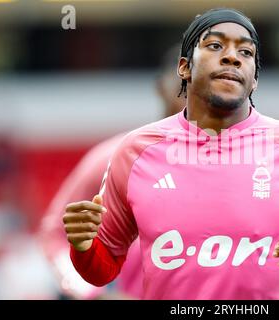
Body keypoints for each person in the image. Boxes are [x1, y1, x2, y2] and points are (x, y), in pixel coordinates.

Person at [63, 8, 279, 300]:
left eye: (246, 52)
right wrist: (83, 246)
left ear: (254, 79)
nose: (232, 57)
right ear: (184, 68)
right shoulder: (135, 151)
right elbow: (103, 269)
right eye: (215, 45)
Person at [38, 45, 185, 299]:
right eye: (184, 82)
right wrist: (93, 295)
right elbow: (57, 234)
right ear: (162, 87)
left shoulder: (234, 167)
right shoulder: (116, 157)